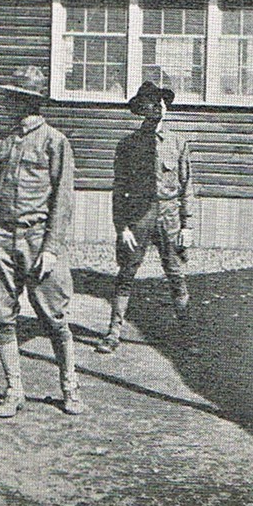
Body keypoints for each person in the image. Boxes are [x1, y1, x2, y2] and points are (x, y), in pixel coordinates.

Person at [0, 65, 82, 418]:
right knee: (2, 316)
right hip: (0, 237)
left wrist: (51, 249)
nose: (5, 102)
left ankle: (70, 388)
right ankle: (14, 390)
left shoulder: (54, 141)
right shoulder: (1, 141)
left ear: (27, 101)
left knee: (54, 317)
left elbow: (63, 200)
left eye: (11, 97)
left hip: (37, 238)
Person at [101, 81, 195, 354]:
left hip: (169, 216)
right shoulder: (128, 145)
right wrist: (122, 227)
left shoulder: (178, 143)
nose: (159, 108)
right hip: (138, 217)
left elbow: (187, 186)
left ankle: (186, 334)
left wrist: (186, 225)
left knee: (176, 274)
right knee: (127, 272)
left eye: (162, 103)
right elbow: (119, 190)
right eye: (153, 103)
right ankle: (113, 332)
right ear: (142, 109)